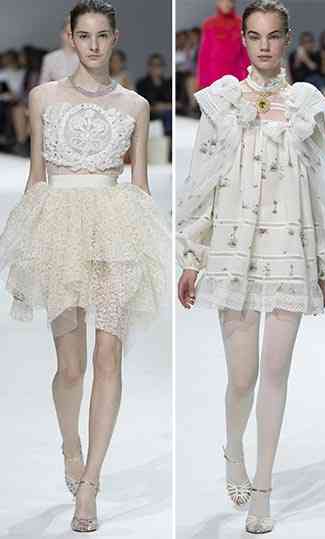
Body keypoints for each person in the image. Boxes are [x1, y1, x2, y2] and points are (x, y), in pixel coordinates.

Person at [175, 0, 325, 534]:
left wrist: (322, 261)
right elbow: (202, 178)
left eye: (274, 35)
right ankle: (234, 451)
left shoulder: (305, 105)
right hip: (235, 246)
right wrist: (192, 256)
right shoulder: (222, 101)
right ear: (244, 40)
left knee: (276, 373)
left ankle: (264, 489)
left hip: (290, 246)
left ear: (287, 39)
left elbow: (319, 184)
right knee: (243, 377)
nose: (265, 45)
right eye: (255, 36)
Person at [0, 0, 169, 532]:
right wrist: (22, 249)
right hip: (59, 228)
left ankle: (91, 482)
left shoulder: (136, 105)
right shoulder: (43, 97)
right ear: (70, 38)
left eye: (102, 35)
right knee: (70, 367)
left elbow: (139, 184)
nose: (93, 45)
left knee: (109, 357)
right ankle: (70, 444)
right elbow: (36, 176)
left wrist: (151, 250)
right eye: (84, 35)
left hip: (116, 229)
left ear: (115, 38)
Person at [196, 0, 250, 89]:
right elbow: (205, 54)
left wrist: (248, 77)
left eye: (230, 1)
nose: (226, 4)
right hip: (214, 75)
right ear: (218, 2)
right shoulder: (209, 24)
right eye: (223, 1)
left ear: (234, 3)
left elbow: (245, 54)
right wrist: (202, 81)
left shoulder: (240, 24)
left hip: (236, 75)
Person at [136, 53, 172, 136]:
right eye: (153, 65)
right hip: (150, 115)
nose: (155, 68)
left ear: (163, 67)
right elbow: (141, 103)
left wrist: (164, 106)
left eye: (159, 65)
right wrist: (156, 107)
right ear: (148, 67)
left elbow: (175, 102)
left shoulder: (169, 84)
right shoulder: (142, 84)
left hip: (168, 114)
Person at [39, 17, 80, 84]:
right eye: (68, 33)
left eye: (75, 34)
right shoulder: (50, 58)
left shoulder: (85, 59)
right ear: (62, 34)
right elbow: (42, 84)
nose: (71, 37)